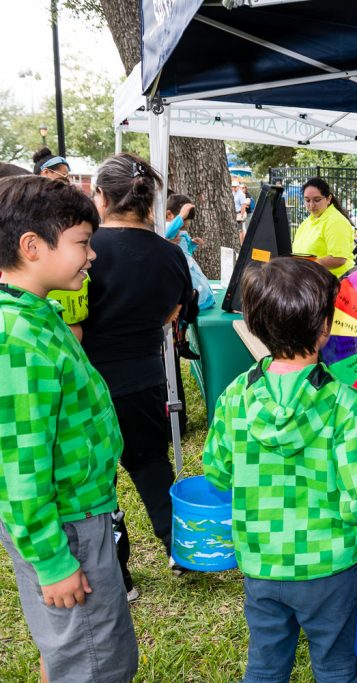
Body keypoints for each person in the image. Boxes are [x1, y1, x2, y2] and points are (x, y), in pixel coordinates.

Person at [203, 257, 357, 683]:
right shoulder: (344, 405)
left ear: (256, 325)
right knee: (334, 666)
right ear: (325, 328)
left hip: (261, 563)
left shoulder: (236, 396)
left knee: (264, 665)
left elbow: (218, 473)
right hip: (327, 569)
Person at [0, 176, 138, 683]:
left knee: (73, 645)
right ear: (32, 247)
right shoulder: (16, 339)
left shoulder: (35, 316)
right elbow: (20, 465)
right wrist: (55, 562)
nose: (93, 255)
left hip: (78, 515)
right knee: (94, 660)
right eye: (82, 242)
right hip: (66, 526)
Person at [80, 153, 193, 595]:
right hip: (146, 376)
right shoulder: (170, 254)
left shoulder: (86, 250)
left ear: (102, 197)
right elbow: (175, 312)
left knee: (97, 483)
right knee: (150, 465)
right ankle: (180, 548)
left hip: (92, 381)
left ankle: (119, 574)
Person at [294, 177, 355, 277]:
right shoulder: (308, 221)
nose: (311, 205)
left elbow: (338, 259)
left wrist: (306, 266)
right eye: (307, 200)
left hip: (334, 285)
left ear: (328, 199)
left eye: (317, 200)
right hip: (312, 280)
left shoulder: (336, 221)